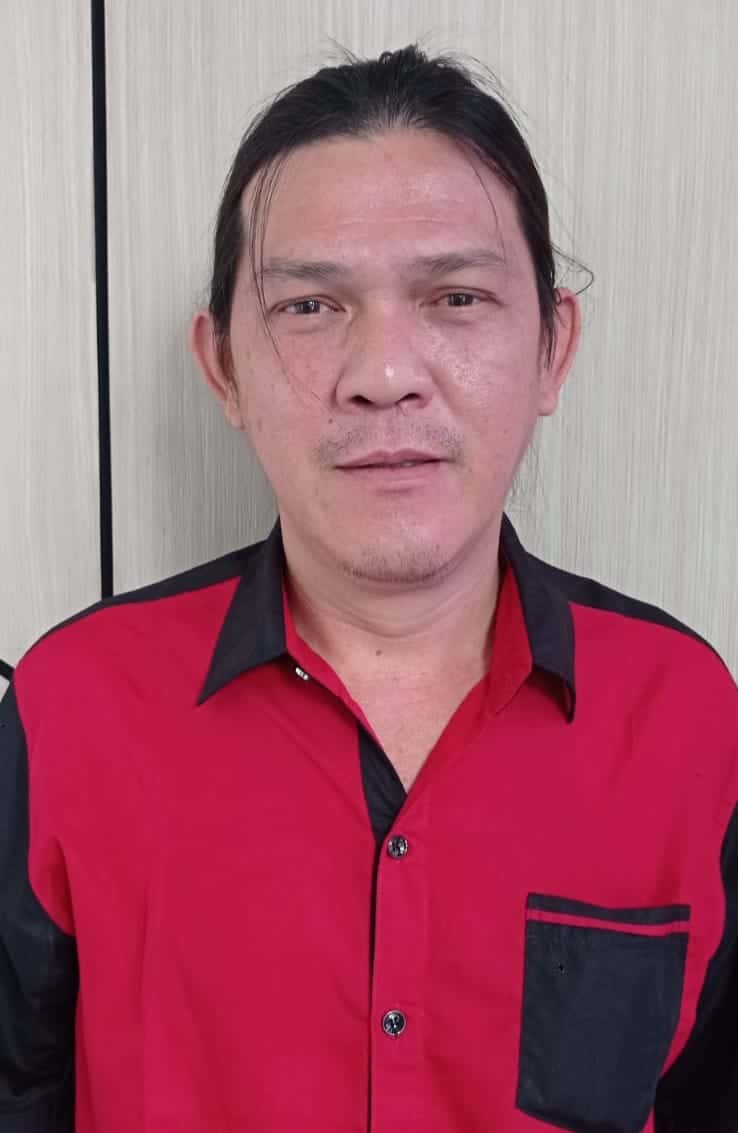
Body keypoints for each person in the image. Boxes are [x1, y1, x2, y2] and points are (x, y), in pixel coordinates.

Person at [1, 43, 736, 1133]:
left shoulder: (684, 712)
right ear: (223, 366)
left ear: (552, 348)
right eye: (310, 306)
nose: (385, 374)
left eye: (456, 296)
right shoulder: (74, 703)